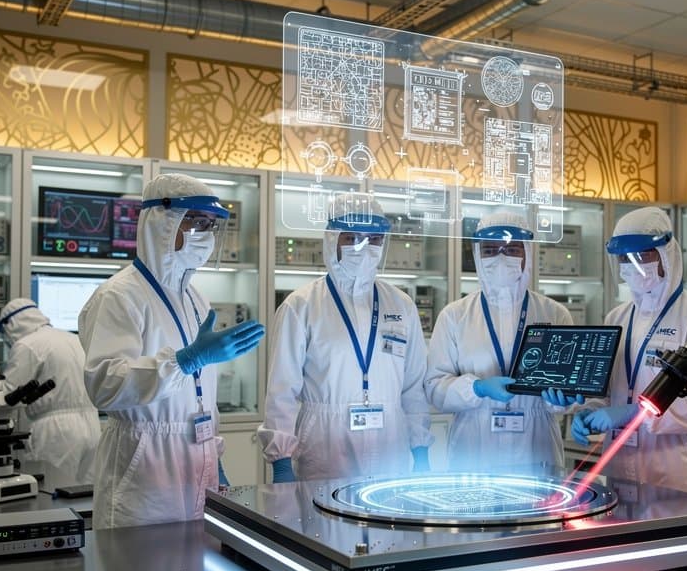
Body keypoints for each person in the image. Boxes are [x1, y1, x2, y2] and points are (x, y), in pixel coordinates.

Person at [79, 173, 265, 528]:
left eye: (210, 225)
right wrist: (186, 360)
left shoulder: (195, 298)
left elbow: (201, 398)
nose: (205, 234)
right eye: (196, 222)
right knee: (140, 560)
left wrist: (215, 458)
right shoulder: (119, 295)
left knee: (197, 556)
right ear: (163, 222)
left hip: (196, 462)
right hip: (144, 466)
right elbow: (104, 385)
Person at [258, 193, 432, 481]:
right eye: (352, 237)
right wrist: (281, 461)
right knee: (325, 511)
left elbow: (413, 388)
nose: (363, 247)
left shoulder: (401, 305)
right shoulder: (301, 305)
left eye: (374, 238)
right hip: (325, 448)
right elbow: (282, 390)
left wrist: (421, 450)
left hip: (391, 448)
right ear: (332, 239)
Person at [571, 207, 687, 495]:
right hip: (619, 462)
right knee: (621, 524)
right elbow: (609, 390)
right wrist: (590, 410)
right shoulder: (617, 318)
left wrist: (637, 414)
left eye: (641, 255)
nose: (630, 264)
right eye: (623, 258)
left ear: (666, 255)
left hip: (675, 467)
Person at [425, 212, 574, 474]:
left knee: (539, 502)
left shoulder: (554, 314)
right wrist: (477, 388)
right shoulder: (455, 315)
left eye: (512, 249)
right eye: (490, 250)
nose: (501, 258)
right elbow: (435, 388)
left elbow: (566, 394)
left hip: (536, 446)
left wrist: (561, 398)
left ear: (527, 253)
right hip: (474, 448)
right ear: (477, 255)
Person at [0, 298, 101, 490]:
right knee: (83, 492)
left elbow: (9, 394)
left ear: (11, 324)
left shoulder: (27, 345)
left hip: (57, 432)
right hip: (92, 425)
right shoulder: (73, 339)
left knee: (54, 490)